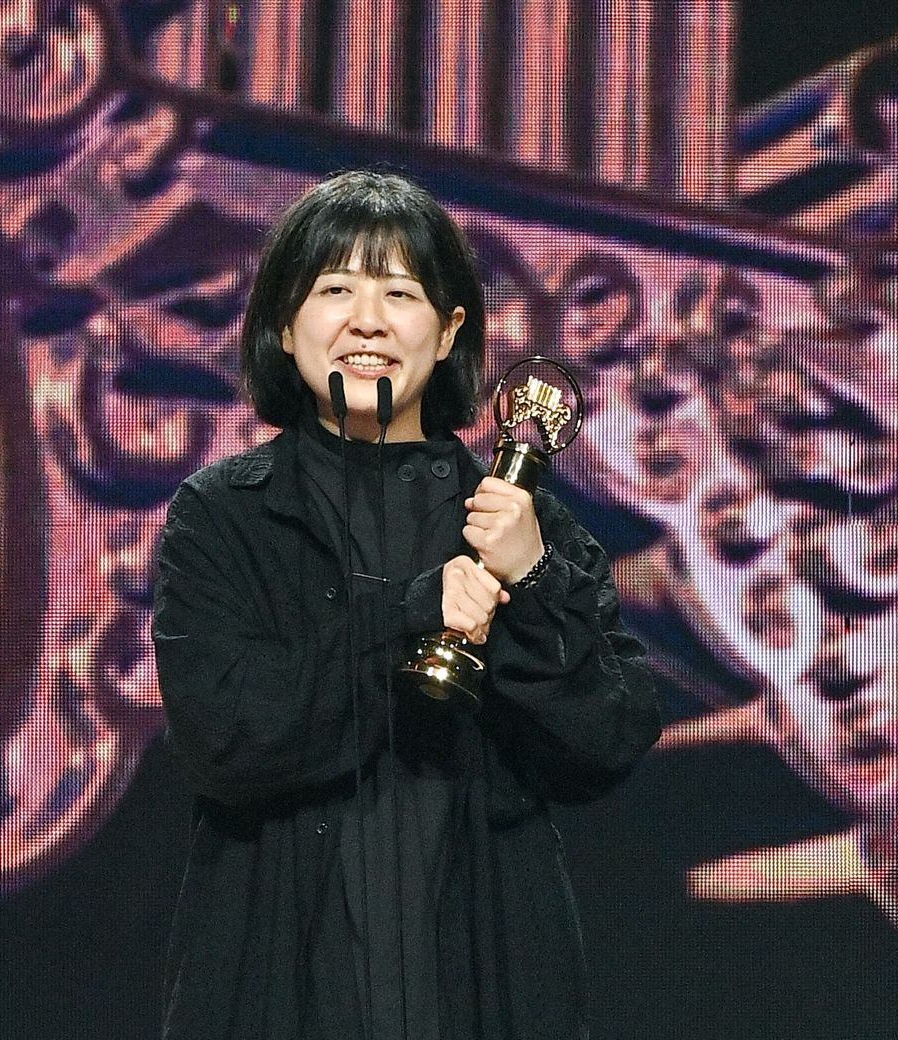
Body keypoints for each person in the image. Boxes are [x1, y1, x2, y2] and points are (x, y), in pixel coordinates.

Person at [151, 168, 661, 1040]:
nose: (368, 321)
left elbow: (607, 743)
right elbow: (226, 742)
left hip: (483, 984)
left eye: (399, 293)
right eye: (335, 290)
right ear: (284, 323)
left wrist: (535, 581)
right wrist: (413, 612)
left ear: (450, 328)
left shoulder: (525, 523)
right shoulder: (222, 515)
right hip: (279, 985)